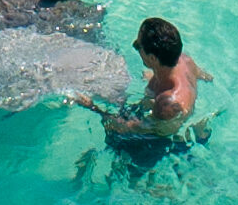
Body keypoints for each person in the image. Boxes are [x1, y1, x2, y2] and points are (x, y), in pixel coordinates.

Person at [79, 16, 204, 169]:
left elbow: (131, 128)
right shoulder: (185, 60)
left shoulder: (167, 102)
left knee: (114, 141)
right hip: (163, 113)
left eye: (138, 46)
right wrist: (155, 75)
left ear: (152, 58)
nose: (135, 46)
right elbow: (205, 77)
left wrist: (93, 108)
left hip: (162, 142)